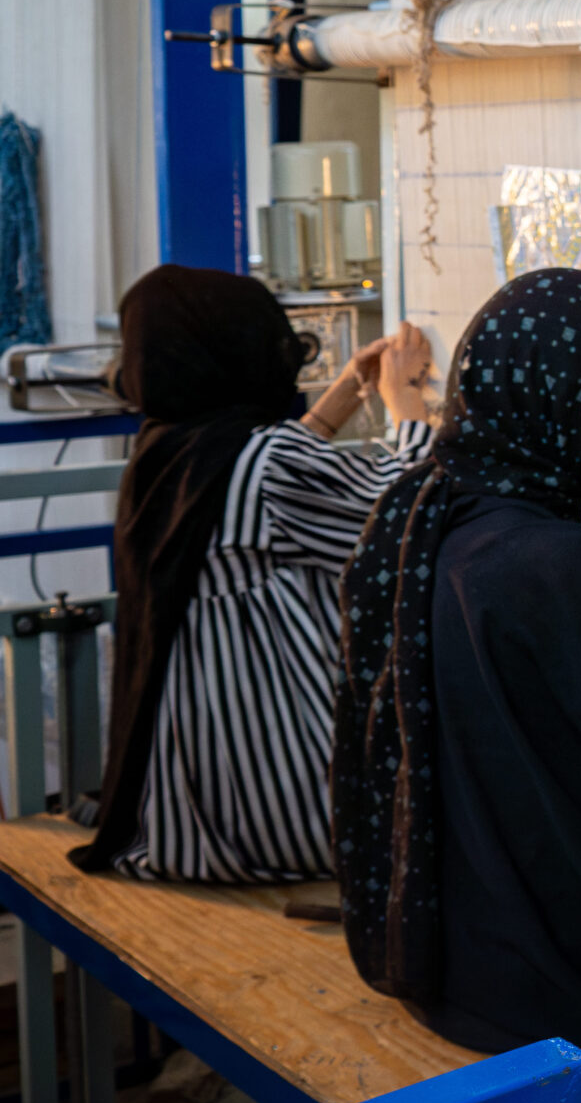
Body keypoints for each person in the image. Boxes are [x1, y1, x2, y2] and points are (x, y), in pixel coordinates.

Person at [334, 268, 581, 1055]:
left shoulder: (431, 510)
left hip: (460, 969)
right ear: (565, 394)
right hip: (565, 993)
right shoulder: (541, 564)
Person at [73, 265, 436, 883]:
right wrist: (405, 399)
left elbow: (277, 474)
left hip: (191, 809)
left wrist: (349, 391)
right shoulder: (269, 463)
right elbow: (411, 521)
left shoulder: (168, 452)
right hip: (292, 815)